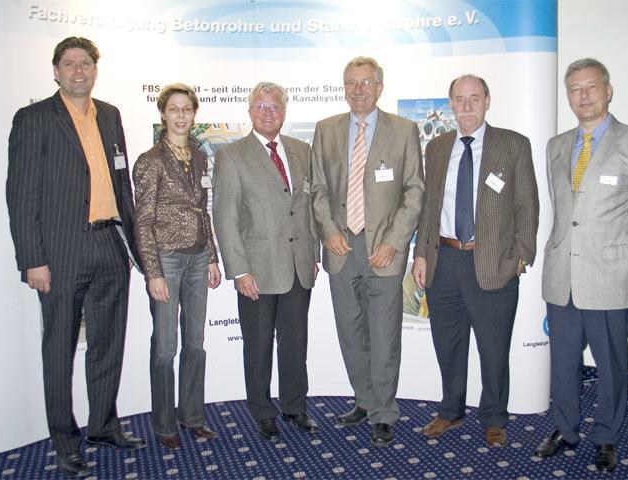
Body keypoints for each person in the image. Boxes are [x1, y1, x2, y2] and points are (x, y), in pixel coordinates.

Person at [6, 36, 144, 477]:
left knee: (107, 344)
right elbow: (21, 195)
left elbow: (122, 186)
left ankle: (103, 425)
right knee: (59, 349)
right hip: (60, 253)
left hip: (109, 244)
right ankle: (64, 441)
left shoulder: (110, 115)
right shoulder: (33, 119)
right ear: (56, 71)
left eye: (86, 63)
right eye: (70, 64)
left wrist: (132, 247)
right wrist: (32, 259)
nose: (79, 71)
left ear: (95, 70)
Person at [534, 58, 628, 472]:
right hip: (562, 276)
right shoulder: (556, 145)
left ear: (608, 90)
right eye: (575, 89)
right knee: (563, 362)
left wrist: (627, 259)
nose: (583, 96)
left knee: (611, 364)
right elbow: (564, 212)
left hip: (610, 276)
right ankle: (565, 429)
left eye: (591, 87)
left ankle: (607, 435)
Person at [412, 74, 539, 447]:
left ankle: (495, 417)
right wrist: (421, 254)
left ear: (487, 100)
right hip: (444, 261)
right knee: (448, 344)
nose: (466, 106)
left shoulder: (513, 144)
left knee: (493, 348)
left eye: (474, 98)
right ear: (450, 104)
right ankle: (450, 411)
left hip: (493, 263)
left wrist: (520, 257)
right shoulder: (437, 147)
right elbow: (429, 207)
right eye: (459, 99)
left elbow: (527, 206)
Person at [311, 56, 424, 447]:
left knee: (384, 334)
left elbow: (414, 190)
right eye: (351, 83)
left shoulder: (404, 130)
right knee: (350, 331)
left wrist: (393, 242)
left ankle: (384, 412)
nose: (358, 90)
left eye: (365, 83)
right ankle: (364, 400)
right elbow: (318, 189)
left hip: (384, 250)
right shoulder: (326, 130)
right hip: (341, 248)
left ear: (379, 87)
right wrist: (328, 232)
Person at [213, 82, 319, 442]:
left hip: (298, 266)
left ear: (284, 112)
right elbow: (225, 218)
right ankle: (262, 410)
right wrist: (239, 270)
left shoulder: (301, 151)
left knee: (296, 342)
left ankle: (295, 406)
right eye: (261, 107)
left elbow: (308, 207)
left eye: (274, 107)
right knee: (258, 346)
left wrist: (313, 254)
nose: (268, 113)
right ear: (250, 112)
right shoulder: (232, 156)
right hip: (256, 270)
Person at [132, 83, 222, 450]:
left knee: (195, 344)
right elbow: (142, 222)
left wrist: (212, 256)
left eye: (187, 109)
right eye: (174, 109)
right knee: (166, 347)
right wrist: (153, 273)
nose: (181, 115)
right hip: (166, 259)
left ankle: (192, 415)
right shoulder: (150, 160)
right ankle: (164, 422)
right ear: (163, 114)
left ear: (194, 114)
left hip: (198, 257)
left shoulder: (199, 156)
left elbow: (203, 211)